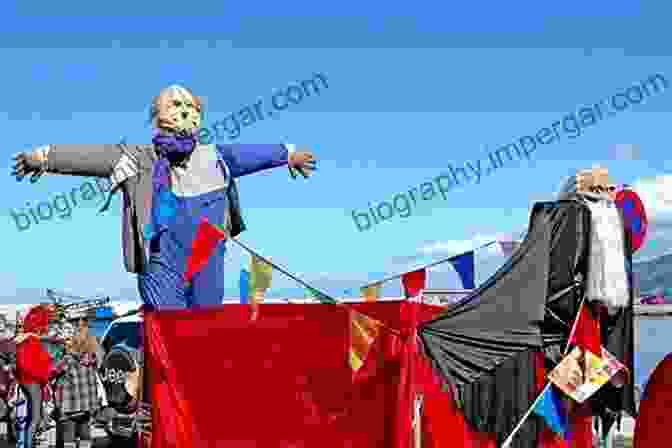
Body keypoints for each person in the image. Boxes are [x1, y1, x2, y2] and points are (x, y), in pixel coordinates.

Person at [11, 85, 317, 311]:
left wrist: (288, 154)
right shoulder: (138, 159)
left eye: (190, 107)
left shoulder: (216, 157)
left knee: (206, 323)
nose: (184, 111)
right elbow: (92, 156)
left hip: (207, 253)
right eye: (175, 105)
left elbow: (253, 154)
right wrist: (43, 157)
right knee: (169, 328)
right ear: (158, 116)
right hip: (161, 257)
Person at [14, 305, 62, 448]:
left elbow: (22, 363)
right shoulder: (33, 342)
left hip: (24, 381)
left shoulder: (23, 340)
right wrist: (49, 370)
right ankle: (29, 445)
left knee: (31, 416)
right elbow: (40, 364)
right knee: (35, 418)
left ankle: (28, 442)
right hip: (33, 382)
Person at [53, 316, 101, 448]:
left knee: (69, 435)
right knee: (85, 433)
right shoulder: (93, 360)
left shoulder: (68, 359)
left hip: (70, 405)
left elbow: (53, 372)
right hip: (87, 404)